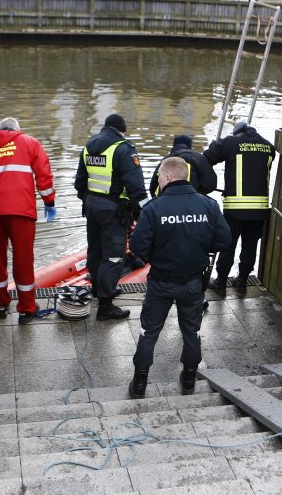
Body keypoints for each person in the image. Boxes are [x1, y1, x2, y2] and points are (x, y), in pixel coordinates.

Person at [127, 157, 231, 399]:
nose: (158, 182)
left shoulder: (153, 209)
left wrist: (157, 255)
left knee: (148, 332)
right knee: (191, 332)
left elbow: (139, 247)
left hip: (161, 281)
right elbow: (224, 241)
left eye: (159, 178)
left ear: (168, 177)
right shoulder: (208, 205)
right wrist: (202, 249)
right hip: (193, 282)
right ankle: (189, 379)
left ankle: (140, 382)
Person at [0, 117, 56, 325]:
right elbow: (43, 175)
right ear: (17, 130)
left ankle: (0, 304)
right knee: (23, 259)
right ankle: (26, 310)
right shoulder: (30, 143)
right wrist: (49, 201)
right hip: (22, 211)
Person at [74, 113, 148, 321]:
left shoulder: (88, 146)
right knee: (114, 256)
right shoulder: (123, 148)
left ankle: (99, 289)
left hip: (91, 207)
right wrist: (144, 212)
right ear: (122, 130)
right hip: (114, 211)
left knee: (96, 250)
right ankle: (105, 306)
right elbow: (136, 188)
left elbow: (80, 183)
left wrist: (90, 201)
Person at [204, 121, 275, 295]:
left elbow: (207, 157)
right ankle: (242, 281)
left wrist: (217, 142)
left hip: (235, 209)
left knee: (228, 245)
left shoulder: (231, 142)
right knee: (250, 246)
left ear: (238, 133)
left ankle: (220, 283)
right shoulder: (268, 147)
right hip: (259, 210)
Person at [148, 134, 217, 197]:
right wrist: (198, 194)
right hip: (193, 202)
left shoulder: (166, 161)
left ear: (174, 145)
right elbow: (210, 185)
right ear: (190, 145)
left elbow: (153, 187)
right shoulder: (200, 158)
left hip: (166, 202)